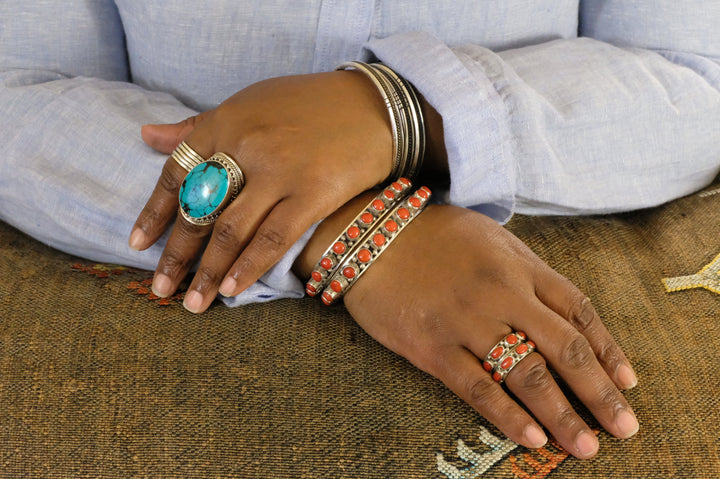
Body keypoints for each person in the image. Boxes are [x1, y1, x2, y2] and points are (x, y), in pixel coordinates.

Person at [1, 0, 719, 461]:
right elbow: (18, 87)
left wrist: (395, 111)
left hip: (537, 249)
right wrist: (349, 224)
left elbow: (695, 82)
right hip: (147, 320)